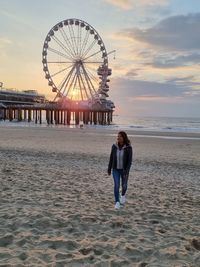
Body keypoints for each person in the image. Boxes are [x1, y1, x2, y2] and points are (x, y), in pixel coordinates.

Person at [108, 131, 133, 209]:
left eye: (120, 136)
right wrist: (109, 168)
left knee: (124, 186)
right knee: (116, 186)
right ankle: (117, 202)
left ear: (124, 138)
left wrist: (127, 170)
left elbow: (129, 161)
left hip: (124, 170)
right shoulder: (114, 146)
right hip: (115, 169)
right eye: (117, 136)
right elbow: (111, 157)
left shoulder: (128, 148)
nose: (118, 138)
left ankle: (122, 195)